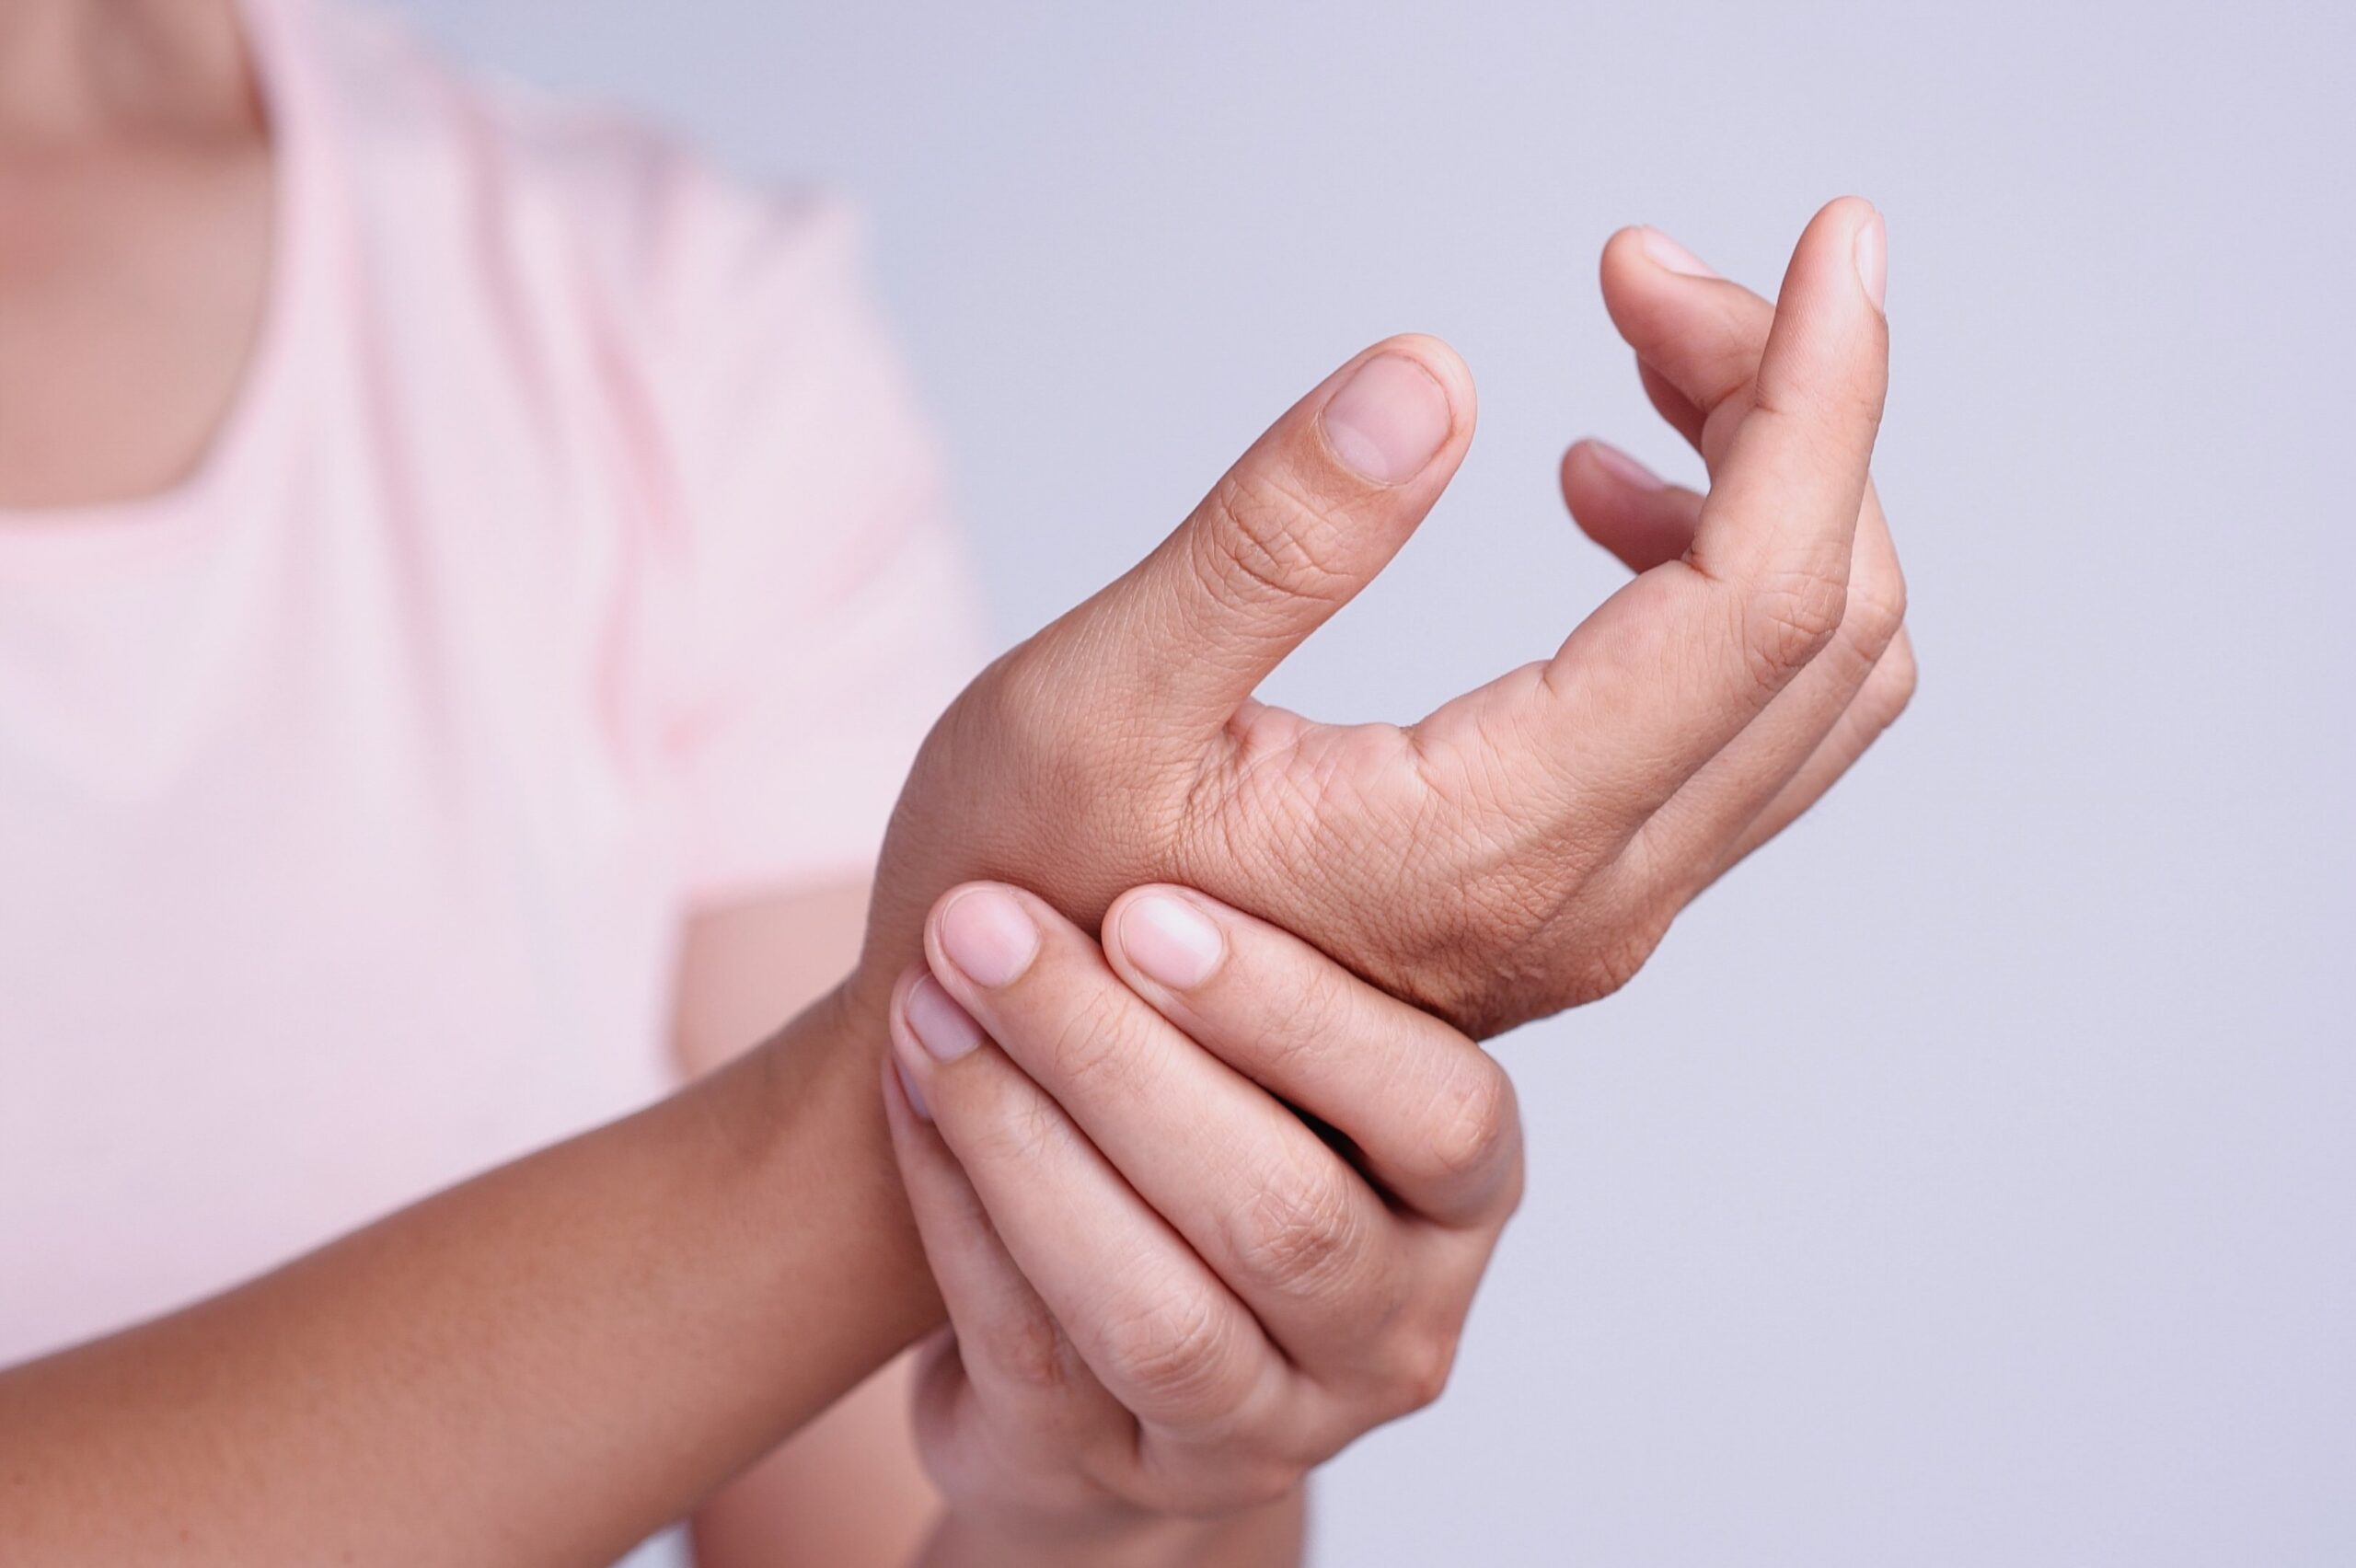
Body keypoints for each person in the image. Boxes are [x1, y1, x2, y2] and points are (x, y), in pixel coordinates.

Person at [0, 0, 1915, 1563]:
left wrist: (1125, 1418)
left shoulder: (646, 308)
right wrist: (924, 1087)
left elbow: (892, 1511)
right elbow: (861, 1130)